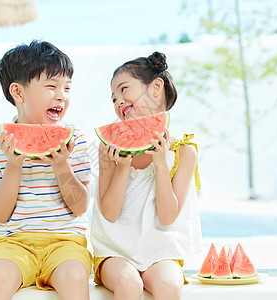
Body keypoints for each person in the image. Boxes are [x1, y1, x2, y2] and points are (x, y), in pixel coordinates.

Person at [0, 40, 92, 300]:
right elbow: (0, 215)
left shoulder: (75, 139)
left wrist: (62, 165)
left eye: (67, 88)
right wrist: (13, 165)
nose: (62, 95)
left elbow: (80, 207)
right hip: (11, 242)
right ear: (18, 92)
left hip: (66, 242)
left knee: (75, 276)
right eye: (51, 86)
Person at [90, 51, 203, 300]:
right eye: (113, 98)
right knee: (129, 284)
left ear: (155, 87)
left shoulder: (184, 152)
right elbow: (109, 213)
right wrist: (122, 166)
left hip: (161, 250)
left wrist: (161, 164)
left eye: (124, 89)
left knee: (169, 286)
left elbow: (167, 217)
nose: (118, 101)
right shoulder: (108, 147)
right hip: (114, 251)